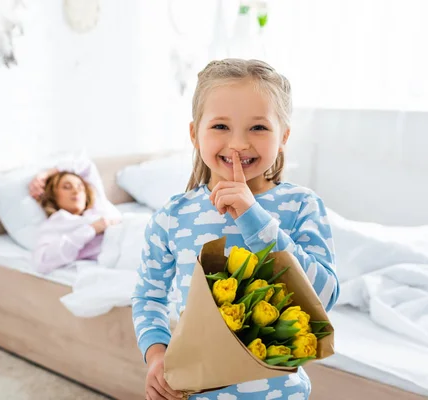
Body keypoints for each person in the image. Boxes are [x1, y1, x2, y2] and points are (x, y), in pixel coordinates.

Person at [131, 59, 340, 400]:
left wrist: (253, 216)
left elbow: (324, 296)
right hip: (194, 391)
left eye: (258, 128)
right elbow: (148, 296)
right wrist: (156, 356)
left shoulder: (302, 205)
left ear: (284, 136)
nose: (239, 143)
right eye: (220, 127)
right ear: (194, 134)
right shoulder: (172, 216)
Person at [28, 157, 121, 274]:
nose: (76, 191)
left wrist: (46, 174)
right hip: (126, 247)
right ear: (52, 194)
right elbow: (41, 263)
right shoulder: (56, 224)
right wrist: (91, 229)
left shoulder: (98, 206)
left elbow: (86, 165)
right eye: (67, 187)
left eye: (80, 187)